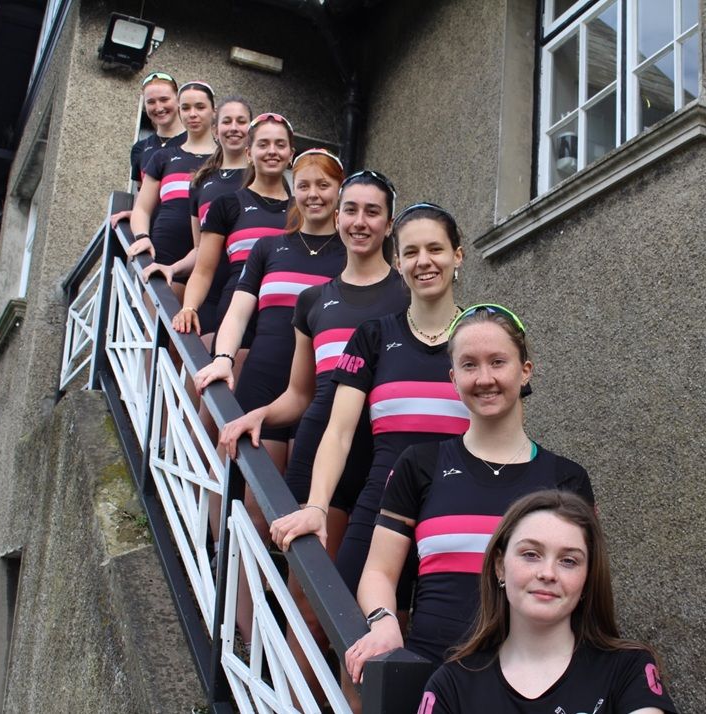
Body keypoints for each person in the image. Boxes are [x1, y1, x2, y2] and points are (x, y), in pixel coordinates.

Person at [220, 170, 408, 701]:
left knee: (368, 606)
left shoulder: (406, 292)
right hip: (317, 453)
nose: (359, 222)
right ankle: (274, 699)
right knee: (310, 599)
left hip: (382, 459)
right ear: (338, 216)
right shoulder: (314, 300)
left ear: (389, 223)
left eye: (372, 212)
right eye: (351, 210)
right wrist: (259, 414)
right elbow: (302, 393)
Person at [345, 304, 595, 689]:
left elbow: (586, 589)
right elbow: (378, 571)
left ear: (525, 370)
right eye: (469, 365)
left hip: (535, 684)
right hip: (432, 679)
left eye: (498, 362)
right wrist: (384, 621)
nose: (485, 379)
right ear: (453, 377)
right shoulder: (419, 464)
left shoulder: (567, 479)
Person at [270, 203, 469, 611]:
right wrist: (316, 507)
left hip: (459, 506)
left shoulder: (483, 334)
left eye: (436, 249)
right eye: (411, 252)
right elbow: (339, 432)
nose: (424, 261)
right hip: (381, 505)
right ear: (398, 262)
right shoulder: (373, 336)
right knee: (348, 625)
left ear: (458, 256)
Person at [418, 490, 677, 713]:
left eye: (569, 561)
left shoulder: (628, 669)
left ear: (588, 578)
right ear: (500, 567)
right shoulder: (451, 685)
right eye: (531, 554)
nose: (548, 573)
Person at [194, 149, 347, 473]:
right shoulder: (268, 247)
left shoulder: (353, 254)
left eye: (323, 185)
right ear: (294, 190)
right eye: (304, 186)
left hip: (323, 390)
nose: (313, 194)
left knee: (294, 497)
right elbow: (238, 312)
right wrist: (223, 359)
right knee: (248, 495)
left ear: (339, 189)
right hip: (265, 377)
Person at [171, 112, 295, 361]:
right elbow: (204, 269)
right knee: (227, 392)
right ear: (249, 153)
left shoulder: (301, 210)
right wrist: (189, 307)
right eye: (263, 144)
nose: (272, 151)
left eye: (280, 145)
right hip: (237, 312)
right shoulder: (226, 204)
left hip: (286, 314)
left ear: (291, 154)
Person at [144, 96, 252, 338]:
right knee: (196, 364)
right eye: (227, 121)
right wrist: (172, 268)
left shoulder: (261, 178)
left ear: (250, 129)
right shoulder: (201, 182)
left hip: (248, 289)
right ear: (215, 129)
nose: (234, 127)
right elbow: (198, 249)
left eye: (241, 121)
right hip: (209, 290)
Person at [128, 81, 216, 301]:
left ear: (214, 111)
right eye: (186, 108)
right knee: (159, 331)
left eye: (200, 107)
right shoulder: (162, 157)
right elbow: (142, 208)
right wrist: (142, 237)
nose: (192, 114)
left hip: (212, 261)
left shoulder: (225, 159)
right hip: (165, 252)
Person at [110, 71, 186, 229]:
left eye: (164, 99)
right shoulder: (140, 148)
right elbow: (143, 198)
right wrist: (135, 215)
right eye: (151, 102)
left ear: (178, 100)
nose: (158, 107)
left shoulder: (195, 141)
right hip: (152, 237)